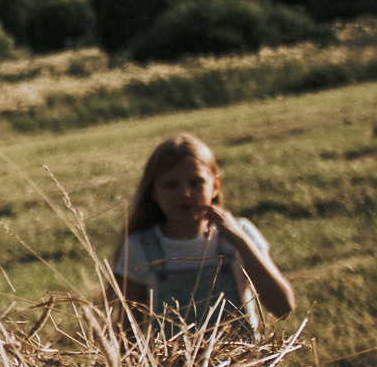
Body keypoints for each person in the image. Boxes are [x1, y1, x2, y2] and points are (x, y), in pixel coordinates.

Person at [109, 133, 294, 332]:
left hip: (242, 361)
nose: (185, 194)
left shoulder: (242, 233)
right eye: (171, 185)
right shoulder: (140, 247)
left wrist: (240, 242)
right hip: (174, 363)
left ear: (215, 186)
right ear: (153, 191)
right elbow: (127, 332)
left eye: (196, 183)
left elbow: (283, 308)